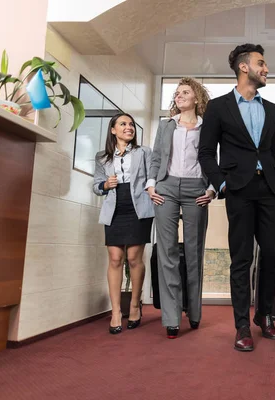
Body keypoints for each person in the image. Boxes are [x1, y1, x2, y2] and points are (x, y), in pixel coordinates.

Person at [198, 43, 275, 352]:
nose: (266, 68)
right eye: (261, 63)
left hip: (268, 189)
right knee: (241, 258)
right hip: (238, 190)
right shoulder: (218, 107)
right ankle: (242, 324)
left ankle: (264, 315)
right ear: (244, 67)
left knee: (270, 254)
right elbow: (205, 153)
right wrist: (222, 184)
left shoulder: (272, 110)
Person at [146, 77, 214, 339]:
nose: (179, 95)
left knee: (195, 252)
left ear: (196, 98)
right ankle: (172, 318)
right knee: (167, 253)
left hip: (197, 189)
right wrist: (152, 185)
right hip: (166, 188)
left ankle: (194, 313)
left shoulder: (207, 127)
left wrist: (211, 189)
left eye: (185, 92)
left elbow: (213, 159)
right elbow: (156, 157)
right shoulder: (166, 126)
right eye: (177, 92)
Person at [92, 113, 154, 334]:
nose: (129, 127)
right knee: (115, 258)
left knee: (133, 258)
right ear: (113, 130)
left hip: (139, 206)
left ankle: (135, 306)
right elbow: (96, 186)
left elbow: (152, 177)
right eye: (123, 124)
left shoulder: (143, 152)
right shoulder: (102, 157)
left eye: (131, 124)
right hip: (114, 208)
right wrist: (105, 185)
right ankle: (116, 311)